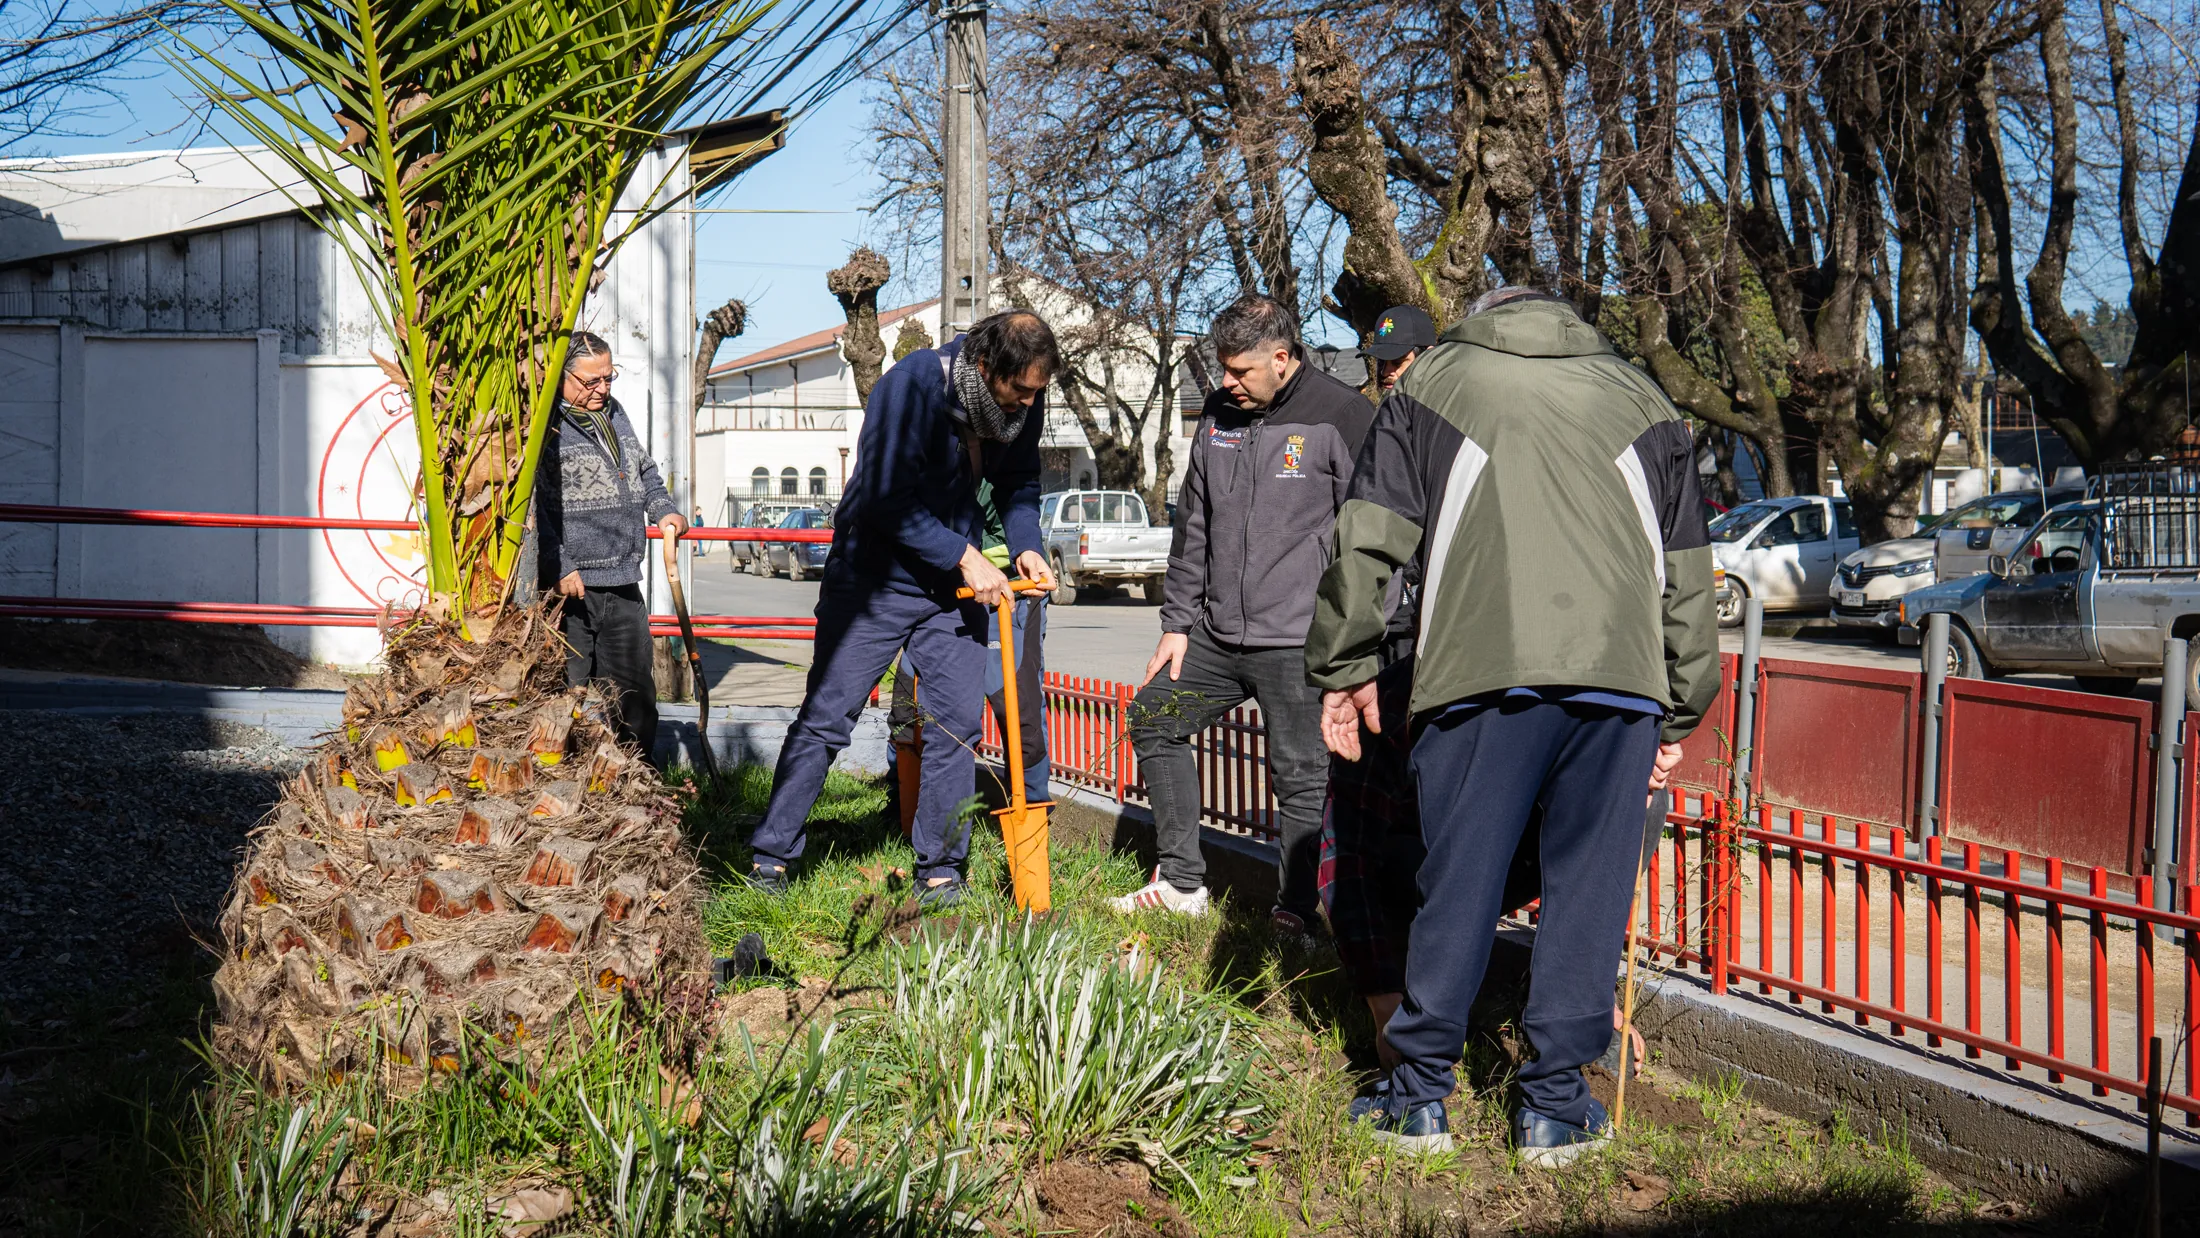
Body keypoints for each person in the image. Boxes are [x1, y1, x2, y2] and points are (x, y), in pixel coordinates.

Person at [1306, 287, 1719, 1165]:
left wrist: (1341, 669)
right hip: (1621, 683)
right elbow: (1687, 575)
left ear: (1484, 316)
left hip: (1477, 677)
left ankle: (1418, 1102)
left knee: (1458, 879)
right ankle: (1555, 1110)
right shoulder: (1647, 398)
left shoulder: (1432, 384)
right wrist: (1680, 707)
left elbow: (1368, 538)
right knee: (1588, 892)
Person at [747, 310, 1059, 906]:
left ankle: (941, 871)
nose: (1027, 403)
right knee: (828, 716)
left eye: (1036, 393)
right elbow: (884, 499)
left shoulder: (1023, 397)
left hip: (952, 589)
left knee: (956, 727)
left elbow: (1019, 483)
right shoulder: (911, 386)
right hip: (874, 577)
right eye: (1019, 391)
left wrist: (1025, 547)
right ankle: (772, 857)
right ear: (986, 366)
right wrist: (965, 556)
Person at [1111, 294, 1372, 931]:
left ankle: (1298, 915)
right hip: (1217, 638)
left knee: (1301, 780)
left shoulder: (1343, 417)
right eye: (1223, 369)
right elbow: (1193, 523)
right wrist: (1177, 624)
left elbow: (1372, 540)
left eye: (1239, 371)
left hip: (1300, 644)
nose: (1226, 383)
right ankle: (1180, 882)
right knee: (1152, 719)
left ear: (1282, 359)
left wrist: (1351, 641)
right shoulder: (1220, 416)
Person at [535, 330, 686, 757]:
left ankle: (638, 788)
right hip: (571, 589)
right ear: (561, 377)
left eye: (608, 377)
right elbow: (535, 507)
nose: (602, 389)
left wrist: (664, 509)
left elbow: (644, 472)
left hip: (622, 581)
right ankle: (566, 787)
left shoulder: (614, 412)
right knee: (567, 698)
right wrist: (558, 563)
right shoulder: (545, 426)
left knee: (636, 700)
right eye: (590, 381)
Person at [888, 478, 1050, 827]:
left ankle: (1032, 820)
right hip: (936, 590)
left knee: (1018, 708)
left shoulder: (996, 449)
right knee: (908, 703)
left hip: (1007, 590)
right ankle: (900, 806)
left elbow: (1013, 505)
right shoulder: (918, 441)